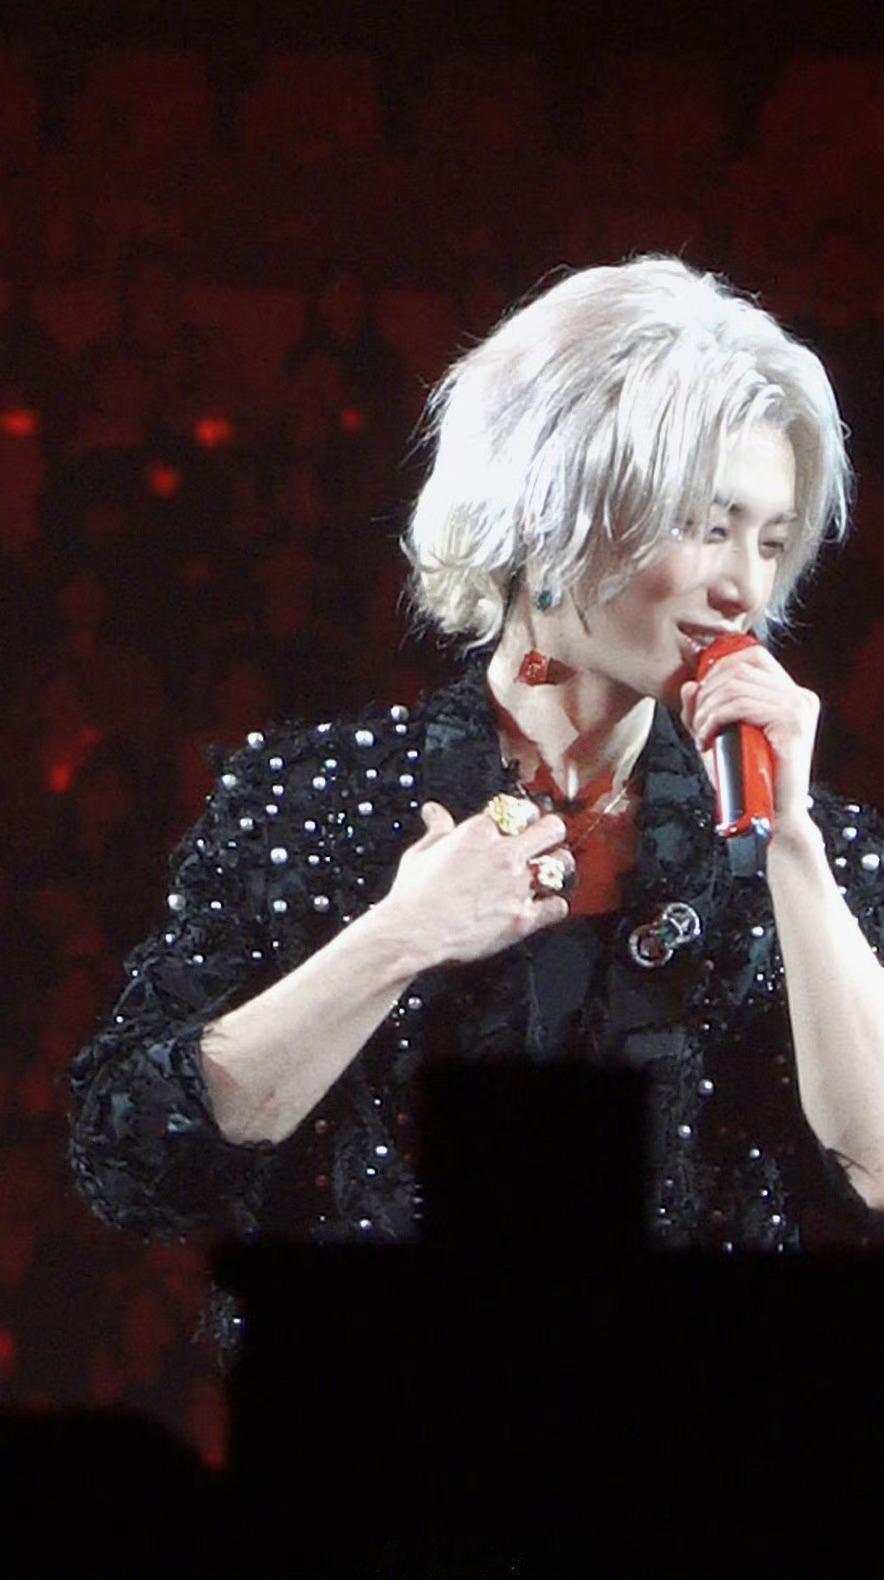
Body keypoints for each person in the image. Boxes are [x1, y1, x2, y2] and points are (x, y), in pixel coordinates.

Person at [69, 257, 884, 1356]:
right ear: (555, 510)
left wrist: (790, 844)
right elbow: (132, 1159)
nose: (744, 585)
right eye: (706, 525)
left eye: (772, 540)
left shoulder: (804, 854)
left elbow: (876, 1172)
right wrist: (397, 939)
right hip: (377, 1440)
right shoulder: (322, 800)